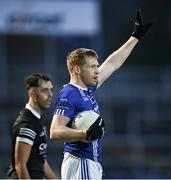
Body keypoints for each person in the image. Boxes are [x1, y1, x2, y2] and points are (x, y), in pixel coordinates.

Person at [50, 9, 152, 179]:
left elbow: (112, 64)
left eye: (97, 66)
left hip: (88, 163)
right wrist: (85, 134)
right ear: (76, 69)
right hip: (80, 162)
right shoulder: (69, 93)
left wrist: (135, 37)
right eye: (92, 66)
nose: (97, 70)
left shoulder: (87, 89)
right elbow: (55, 131)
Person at [7, 73, 56, 179]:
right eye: (44, 90)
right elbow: (20, 165)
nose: (50, 94)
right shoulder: (27, 124)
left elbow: (40, 158)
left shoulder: (36, 119)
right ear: (33, 94)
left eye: (51, 90)